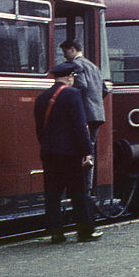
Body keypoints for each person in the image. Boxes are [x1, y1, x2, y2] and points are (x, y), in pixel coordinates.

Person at [33, 61, 102, 243]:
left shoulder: (41, 98)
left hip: (49, 153)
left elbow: (39, 129)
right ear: (69, 77)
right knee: (78, 192)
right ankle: (85, 231)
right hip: (70, 153)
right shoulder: (72, 94)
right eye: (73, 77)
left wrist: (47, 145)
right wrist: (87, 151)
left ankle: (56, 233)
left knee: (53, 193)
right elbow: (79, 125)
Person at [60, 40, 106, 146]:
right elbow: (105, 90)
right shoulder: (94, 67)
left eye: (65, 52)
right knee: (91, 144)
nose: (64, 56)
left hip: (85, 113)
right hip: (97, 113)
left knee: (80, 145)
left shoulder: (76, 64)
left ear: (72, 49)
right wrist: (94, 102)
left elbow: (81, 86)